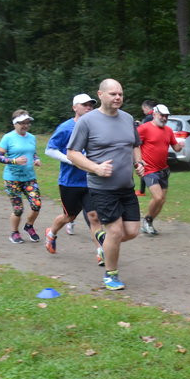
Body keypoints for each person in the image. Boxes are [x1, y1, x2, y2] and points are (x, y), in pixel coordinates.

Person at [67, 78, 145, 291]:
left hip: (126, 186)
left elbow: (135, 145)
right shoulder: (87, 121)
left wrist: (139, 162)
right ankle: (111, 274)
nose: (118, 97)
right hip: (102, 187)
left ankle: (103, 238)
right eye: (113, 94)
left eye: (120, 94)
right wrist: (95, 168)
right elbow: (72, 153)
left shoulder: (128, 118)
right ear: (100, 95)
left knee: (132, 231)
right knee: (116, 231)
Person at [43, 94, 105, 265]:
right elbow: (50, 149)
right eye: (85, 105)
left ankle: (101, 251)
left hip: (90, 180)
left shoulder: (95, 127)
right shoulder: (66, 128)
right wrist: (71, 160)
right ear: (74, 107)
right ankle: (51, 232)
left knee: (94, 216)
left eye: (91, 105)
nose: (89, 108)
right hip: (70, 182)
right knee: (69, 216)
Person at [0, 110, 42, 244]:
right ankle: (14, 232)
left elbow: (32, 152)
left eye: (27, 123)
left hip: (29, 178)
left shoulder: (32, 137)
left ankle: (29, 226)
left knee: (36, 204)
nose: (25, 125)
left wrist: (36, 159)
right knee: (18, 209)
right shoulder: (8, 138)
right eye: (22, 123)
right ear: (15, 124)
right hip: (12, 179)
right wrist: (14, 161)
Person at [137, 103, 182, 236]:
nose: (164, 118)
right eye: (162, 115)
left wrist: (180, 145)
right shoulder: (144, 128)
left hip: (163, 170)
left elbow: (176, 148)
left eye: (166, 116)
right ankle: (147, 220)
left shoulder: (168, 130)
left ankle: (149, 221)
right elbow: (134, 145)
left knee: (162, 200)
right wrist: (138, 161)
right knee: (158, 197)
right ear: (155, 114)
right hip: (149, 169)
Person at [134, 100, 156, 196]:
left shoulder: (148, 117)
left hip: (147, 146)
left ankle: (142, 191)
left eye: (143, 109)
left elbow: (144, 131)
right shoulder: (155, 116)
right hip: (154, 147)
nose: (143, 111)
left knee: (143, 167)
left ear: (146, 108)